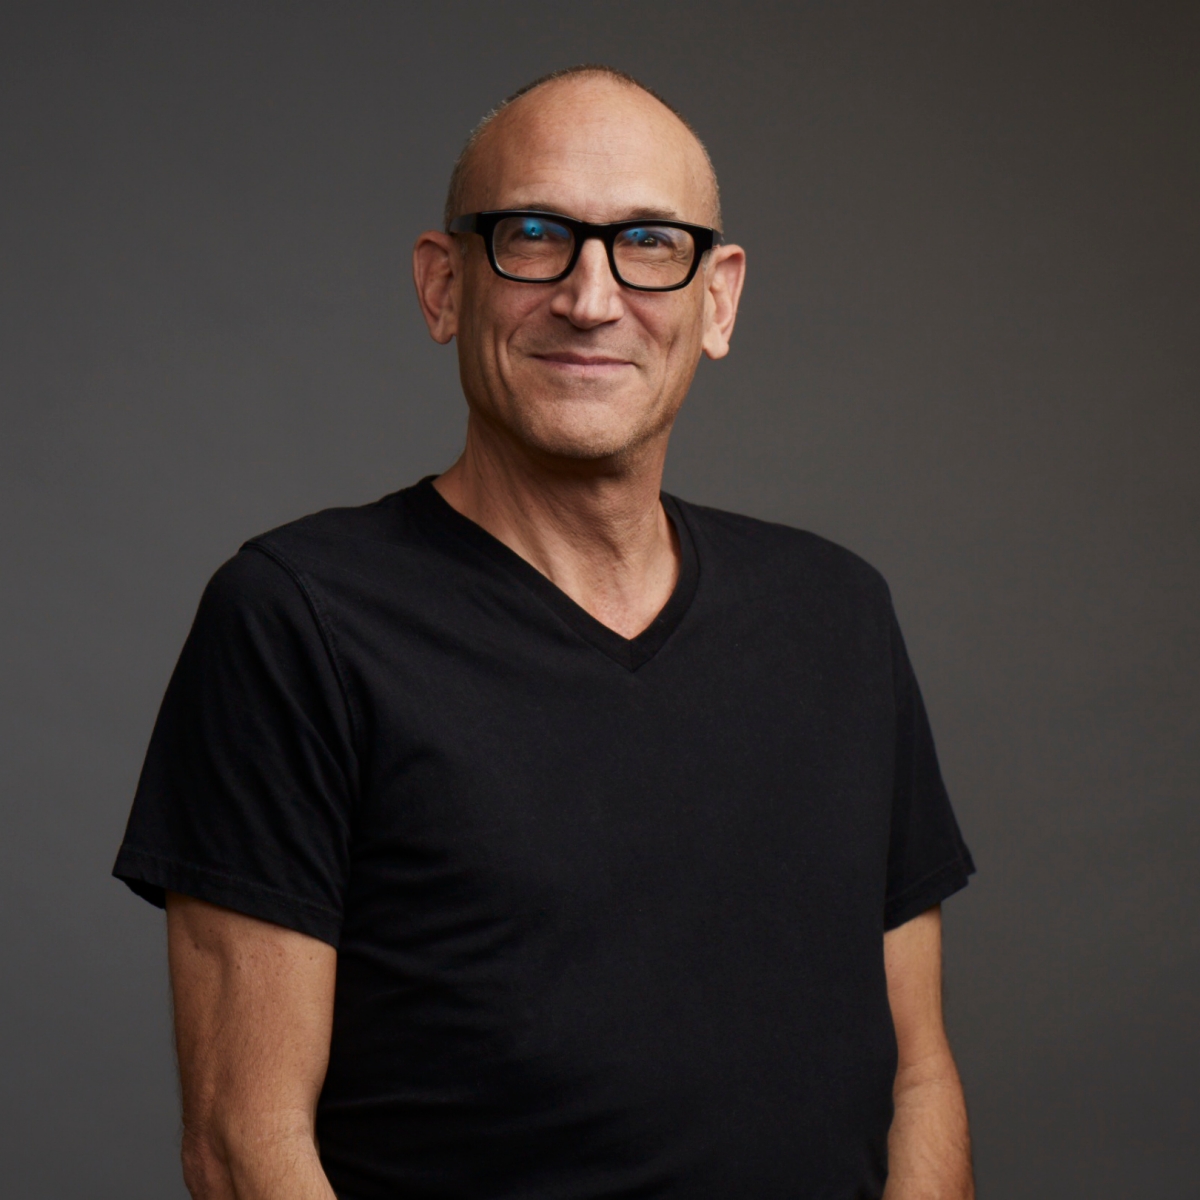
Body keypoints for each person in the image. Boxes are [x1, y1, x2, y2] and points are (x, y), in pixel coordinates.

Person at [114, 64, 976, 1200]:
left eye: (649, 243)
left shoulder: (838, 614)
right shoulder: (296, 620)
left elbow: (919, 1078)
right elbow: (244, 1144)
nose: (590, 297)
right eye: (534, 235)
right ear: (444, 285)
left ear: (718, 300)